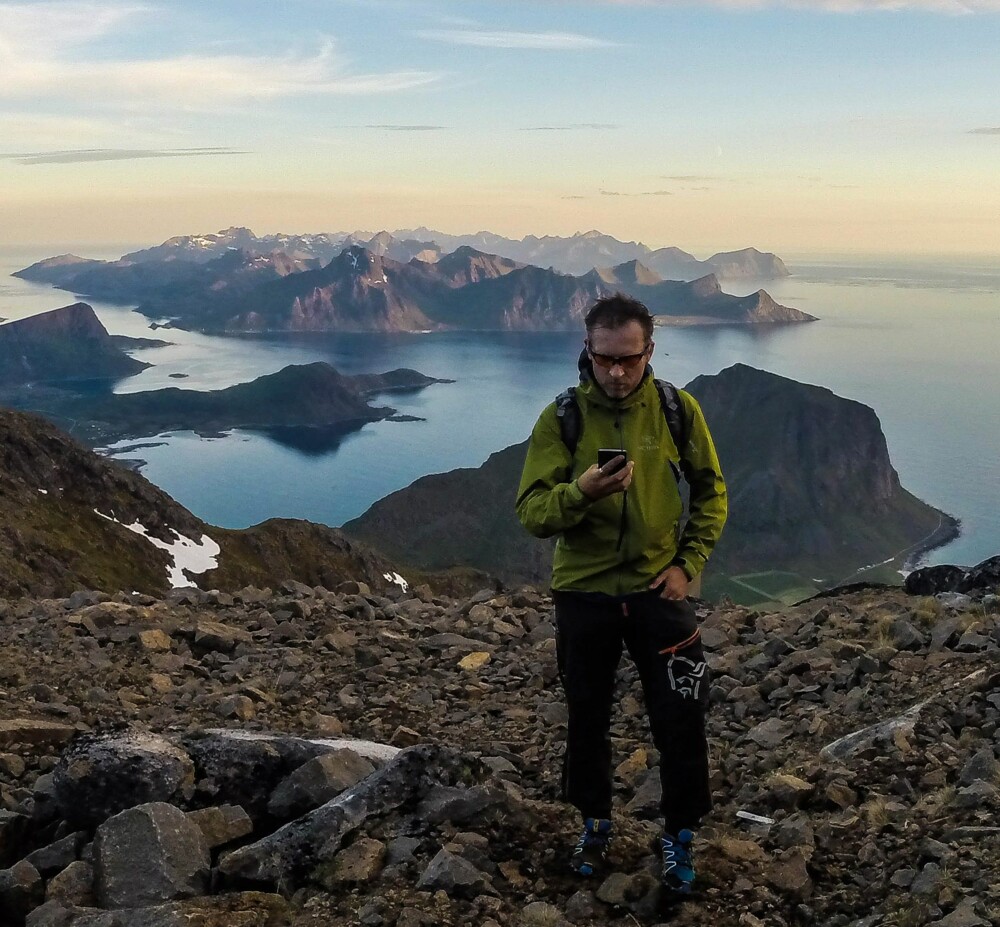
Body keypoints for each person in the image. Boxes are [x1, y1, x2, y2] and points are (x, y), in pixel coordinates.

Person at [515, 293, 727, 896]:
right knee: (587, 716)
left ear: (649, 352)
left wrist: (689, 565)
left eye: (628, 360)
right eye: (604, 358)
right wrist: (581, 491)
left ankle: (681, 833)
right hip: (584, 594)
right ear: (587, 350)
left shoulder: (676, 410)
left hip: (659, 589)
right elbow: (531, 512)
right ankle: (594, 824)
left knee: (682, 717)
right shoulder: (561, 419)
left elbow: (712, 492)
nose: (615, 372)